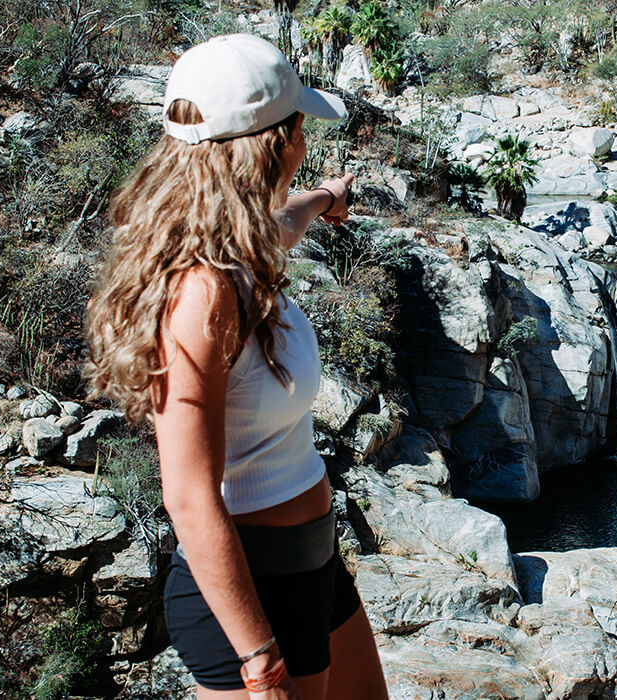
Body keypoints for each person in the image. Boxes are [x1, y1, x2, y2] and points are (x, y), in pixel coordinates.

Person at [85, 34, 389, 699]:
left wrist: (324, 197)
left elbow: (281, 224)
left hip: (311, 565)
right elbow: (189, 495)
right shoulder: (202, 294)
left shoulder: (239, 251)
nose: (306, 144)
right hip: (251, 598)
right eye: (301, 129)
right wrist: (260, 663)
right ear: (272, 144)